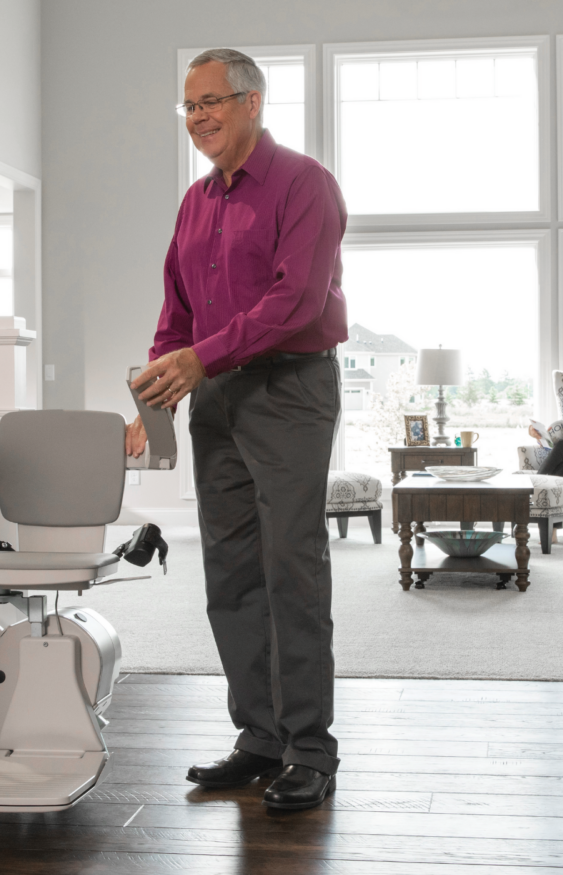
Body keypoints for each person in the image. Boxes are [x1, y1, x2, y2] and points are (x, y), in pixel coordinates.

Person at [125, 48, 348, 811]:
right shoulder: (195, 202)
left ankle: (311, 748)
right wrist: (152, 400)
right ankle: (258, 736)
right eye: (189, 107)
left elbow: (298, 302)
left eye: (212, 101)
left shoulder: (305, 184)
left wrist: (197, 359)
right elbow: (175, 314)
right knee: (230, 572)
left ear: (254, 102)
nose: (199, 118)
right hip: (214, 396)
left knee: (291, 565)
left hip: (289, 387)